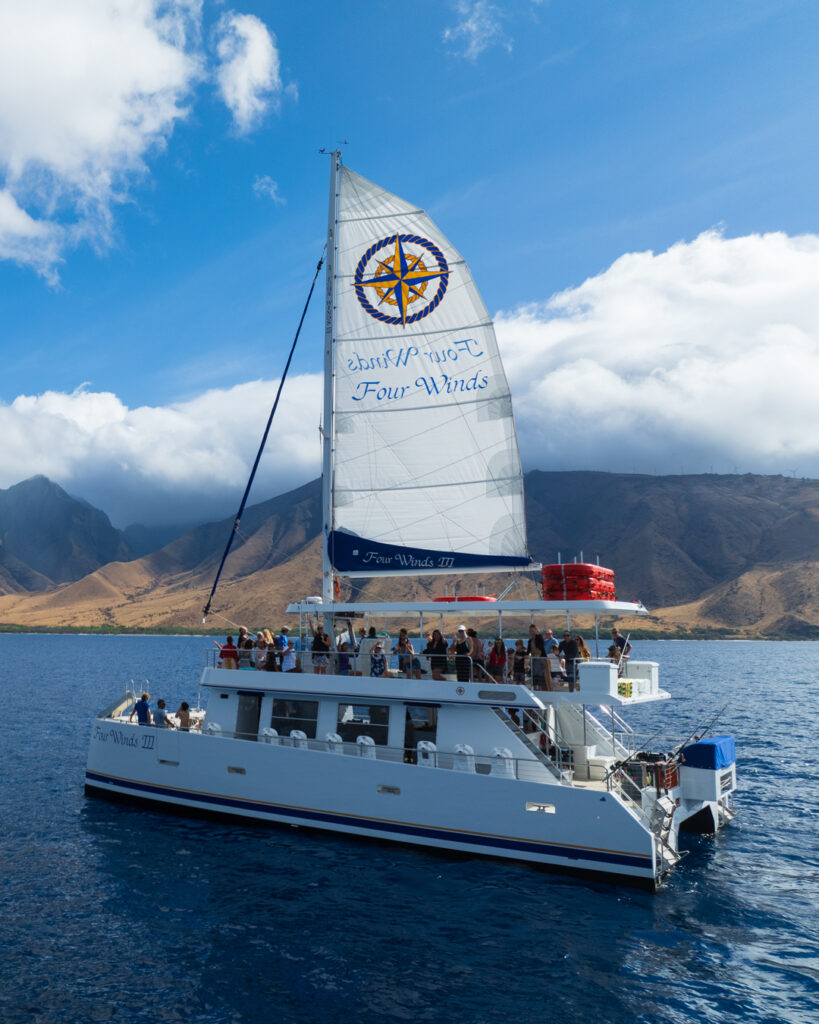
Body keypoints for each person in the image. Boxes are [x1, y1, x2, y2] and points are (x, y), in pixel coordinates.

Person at [528, 624, 547, 689]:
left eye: (533, 631)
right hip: (533, 658)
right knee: (534, 674)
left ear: (536, 630)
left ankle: (539, 689)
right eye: (530, 631)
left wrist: (537, 634)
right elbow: (528, 650)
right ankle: (534, 688)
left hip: (539, 658)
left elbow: (541, 645)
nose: (531, 632)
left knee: (539, 674)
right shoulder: (530, 640)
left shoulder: (539, 638)